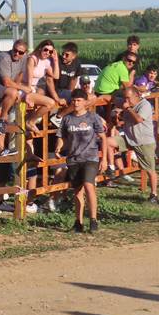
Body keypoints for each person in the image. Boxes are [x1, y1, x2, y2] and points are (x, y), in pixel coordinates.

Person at [55, 89, 107, 233]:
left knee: (89, 185)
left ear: (85, 102)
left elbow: (103, 138)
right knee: (77, 192)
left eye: (79, 100)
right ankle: (78, 222)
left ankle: (93, 219)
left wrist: (105, 159)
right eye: (74, 100)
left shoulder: (93, 117)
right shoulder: (67, 119)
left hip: (90, 157)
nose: (76, 103)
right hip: (73, 159)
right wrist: (58, 147)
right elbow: (61, 136)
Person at [0, 39, 54, 136]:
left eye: (20, 52)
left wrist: (55, 60)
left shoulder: (26, 59)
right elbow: (6, 82)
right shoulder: (4, 58)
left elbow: (20, 75)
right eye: (15, 50)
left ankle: (28, 122)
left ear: (25, 53)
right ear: (12, 48)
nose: (17, 54)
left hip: (8, 88)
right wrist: (23, 89)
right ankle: (2, 120)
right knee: (12, 94)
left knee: (48, 102)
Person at [113, 86, 159, 203]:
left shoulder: (145, 105)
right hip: (129, 138)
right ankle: (110, 167)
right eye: (124, 98)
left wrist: (127, 108)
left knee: (150, 169)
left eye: (128, 98)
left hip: (144, 141)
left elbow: (138, 119)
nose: (126, 101)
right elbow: (111, 98)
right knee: (108, 142)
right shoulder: (126, 102)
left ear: (137, 95)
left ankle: (154, 194)